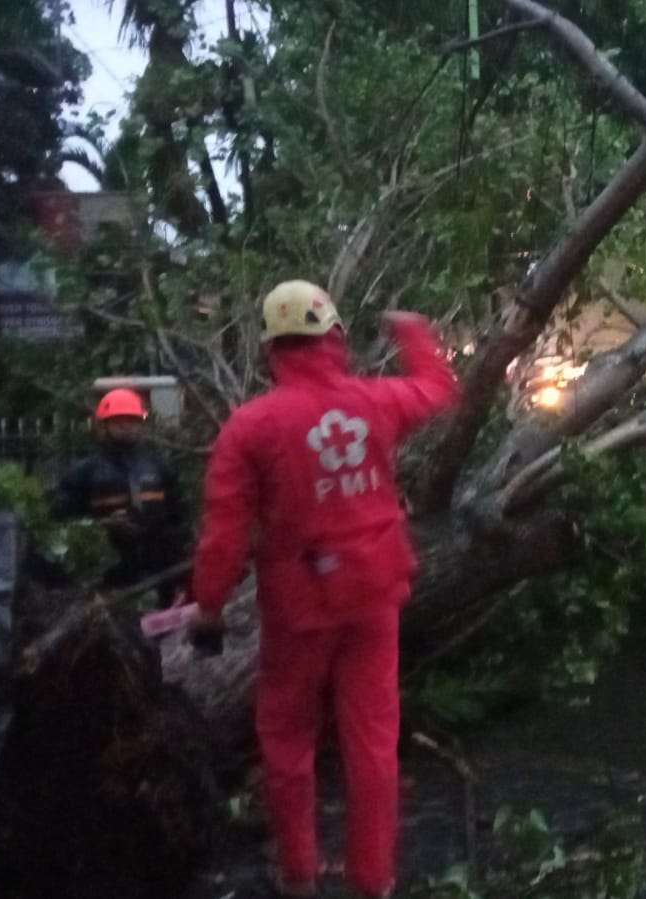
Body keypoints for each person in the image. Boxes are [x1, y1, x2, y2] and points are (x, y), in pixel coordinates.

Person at [186, 280, 459, 899]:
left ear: (270, 349)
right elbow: (440, 390)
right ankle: (372, 881)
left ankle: (300, 878)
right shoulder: (376, 403)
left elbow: (223, 538)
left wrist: (207, 607)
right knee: (372, 741)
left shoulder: (250, 426)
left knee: (287, 740)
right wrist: (413, 331)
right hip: (374, 595)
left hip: (299, 609)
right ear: (335, 336)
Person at [54, 387, 189, 601]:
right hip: (110, 575)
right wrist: (104, 524)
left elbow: (178, 517)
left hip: (159, 569)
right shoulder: (84, 472)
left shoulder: (159, 466)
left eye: (133, 421)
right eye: (119, 421)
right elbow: (63, 525)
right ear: (103, 426)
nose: (127, 427)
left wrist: (181, 571)